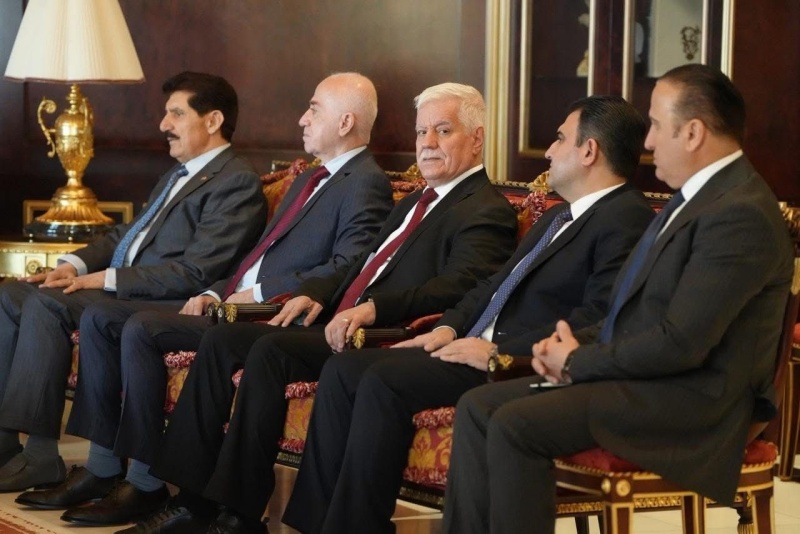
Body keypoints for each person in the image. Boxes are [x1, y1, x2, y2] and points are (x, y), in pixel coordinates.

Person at [129, 82, 519, 534]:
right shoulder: (415, 201)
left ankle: (237, 516)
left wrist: (374, 309)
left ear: (476, 138)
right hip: (335, 318)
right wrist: (314, 291)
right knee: (224, 339)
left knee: (270, 351)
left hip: (380, 333)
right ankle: (194, 503)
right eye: (421, 132)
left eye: (443, 130)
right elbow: (360, 262)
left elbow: (457, 288)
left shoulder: (485, 209)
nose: (427, 143)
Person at [16, 72, 395, 526]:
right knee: (107, 319)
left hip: (270, 313)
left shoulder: (363, 182)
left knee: (140, 326)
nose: (302, 119)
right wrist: (216, 290)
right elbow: (255, 258)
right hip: (228, 302)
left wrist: (254, 293)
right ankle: (115, 474)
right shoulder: (311, 179)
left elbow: (348, 264)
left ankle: (146, 485)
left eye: (313, 109)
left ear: (346, 121)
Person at [443, 64, 794, 534]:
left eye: (657, 125)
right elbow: (632, 316)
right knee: (478, 407)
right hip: (651, 379)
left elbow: (682, 343)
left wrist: (577, 363)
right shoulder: (694, 198)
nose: (647, 142)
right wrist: (564, 349)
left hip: (696, 399)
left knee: (515, 424)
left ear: (693, 133)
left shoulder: (739, 214)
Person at [282, 95, 656, 534]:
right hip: (468, 344)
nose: (549, 152)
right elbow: (493, 285)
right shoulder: (558, 216)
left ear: (589, 150)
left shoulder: (625, 217)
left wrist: (498, 351)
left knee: (382, 380)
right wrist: (448, 326)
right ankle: (316, 525)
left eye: (559, 138)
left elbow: (598, 316)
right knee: (345, 370)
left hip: (514, 362)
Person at [0, 71, 267, 492]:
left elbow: (195, 272)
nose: (164, 125)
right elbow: (126, 236)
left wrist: (105, 279)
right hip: (128, 287)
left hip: (166, 299)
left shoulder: (236, 181)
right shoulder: (178, 174)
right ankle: (4, 445)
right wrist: (73, 264)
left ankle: (40, 455)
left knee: (46, 303)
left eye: (176, 114)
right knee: (12, 293)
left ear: (213, 120)